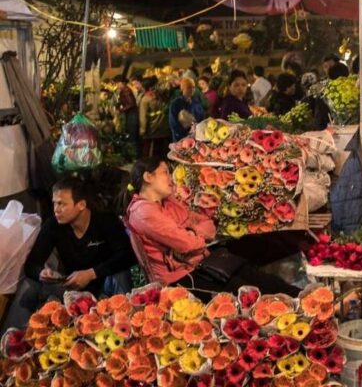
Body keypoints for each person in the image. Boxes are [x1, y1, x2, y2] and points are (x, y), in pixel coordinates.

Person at [123, 157, 299, 297]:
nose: (170, 179)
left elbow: (207, 224)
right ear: (148, 177)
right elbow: (187, 244)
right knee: (249, 294)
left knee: (264, 280)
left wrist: (192, 233)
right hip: (180, 278)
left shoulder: (168, 203)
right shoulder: (143, 212)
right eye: (165, 173)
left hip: (202, 263)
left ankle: (310, 302)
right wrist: (194, 236)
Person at [1, 178, 135, 332]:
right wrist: (42, 273)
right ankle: (10, 342)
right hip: (72, 288)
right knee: (29, 285)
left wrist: (92, 273)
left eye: (62, 204)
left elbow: (128, 255)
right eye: (54, 203)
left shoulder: (105, 221)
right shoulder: (53, 225)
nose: (56, 209)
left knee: (121, 274)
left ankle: (127, 329)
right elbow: (32, 264)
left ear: (81, 205)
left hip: (103, 285)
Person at [139, 76, 169, 157]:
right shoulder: (161, 97)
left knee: (147, 150)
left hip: (150, 130)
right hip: (162, 129)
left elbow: (143, 118)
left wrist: (142, 131)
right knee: (158, 151)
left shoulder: (145, 100)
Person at [169, 78, 204, 142]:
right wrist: (184, 136)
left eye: (193, 87)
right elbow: (173, 124)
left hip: (196, 137)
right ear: (182, 89)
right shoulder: (175, 104)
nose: (192, 90)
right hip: (181, 139)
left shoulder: (196, 103)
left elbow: (201, 119)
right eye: (189, 88)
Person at [114, 75, 141, 156]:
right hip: (131, 115)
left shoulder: (126, 90)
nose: (117, 85)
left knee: (132, 135)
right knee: (132, 135)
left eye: (117, 83)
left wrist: (121, 110)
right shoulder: (125, 90)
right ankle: (134, 154)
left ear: (122, 83)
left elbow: (131, 104)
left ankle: (134, 155)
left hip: (131, 116)